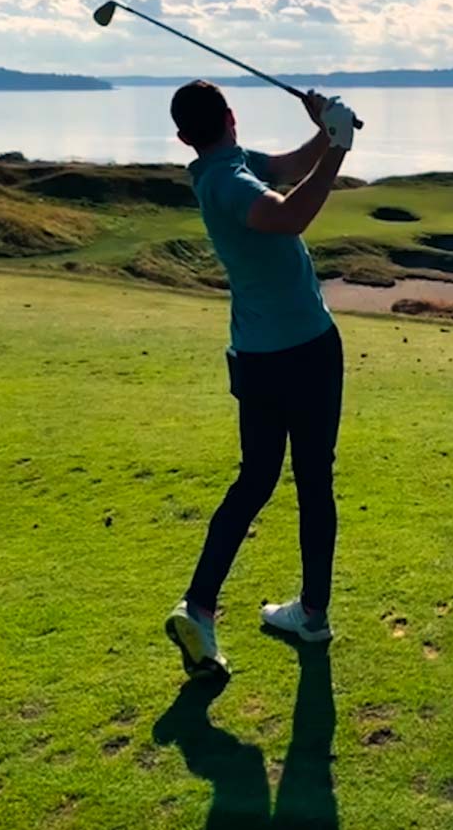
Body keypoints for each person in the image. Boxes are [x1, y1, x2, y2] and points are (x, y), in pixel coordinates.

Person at [163, 80, 357, 679]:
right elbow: (290, 214)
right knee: (308, 481)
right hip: (301, 352)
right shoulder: (228, 182)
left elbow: (293, 166)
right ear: (231, 116)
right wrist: (342, 147)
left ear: (183, 138)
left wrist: (323, 131)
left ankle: (207, 607)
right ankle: (301, 613)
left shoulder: (225, 165)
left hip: (262, 356)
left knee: (260, 480)